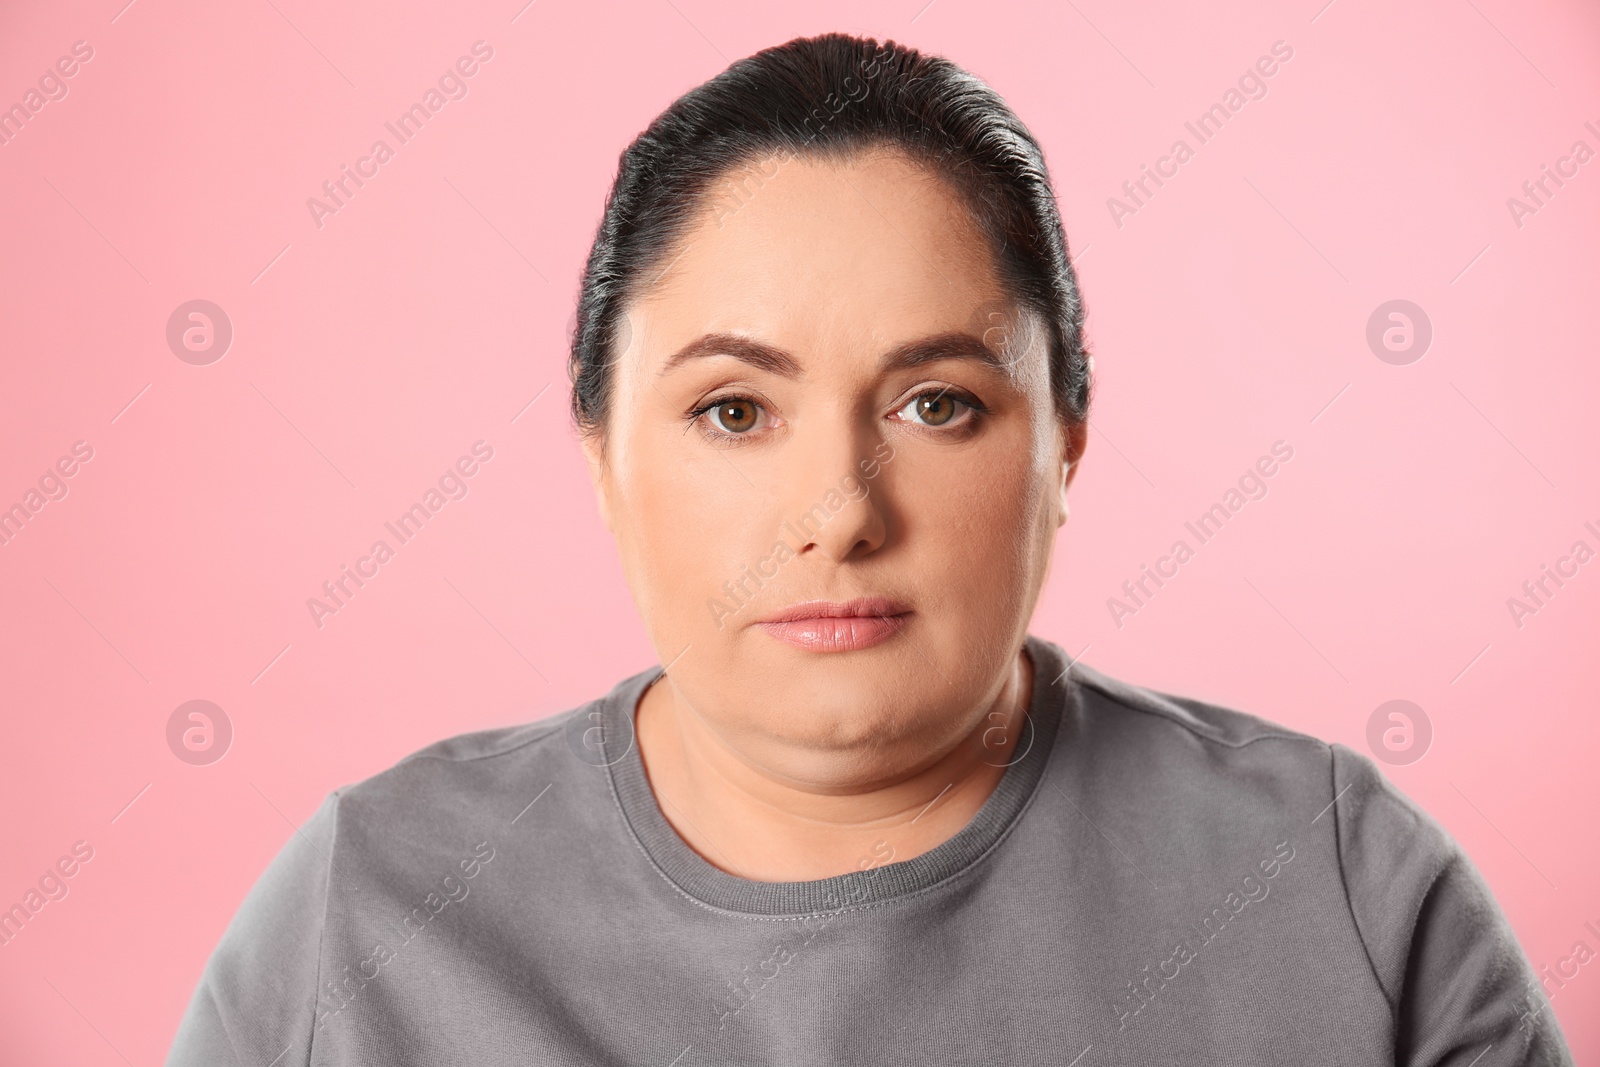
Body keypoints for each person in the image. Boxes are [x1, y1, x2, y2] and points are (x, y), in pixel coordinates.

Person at [165, 32, 1576, 1066]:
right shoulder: (370, 914)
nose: (839, 508)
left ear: (1064, 442)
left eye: (936, 403)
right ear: (601, 455)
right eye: (733, 409)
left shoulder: (1337, 891)